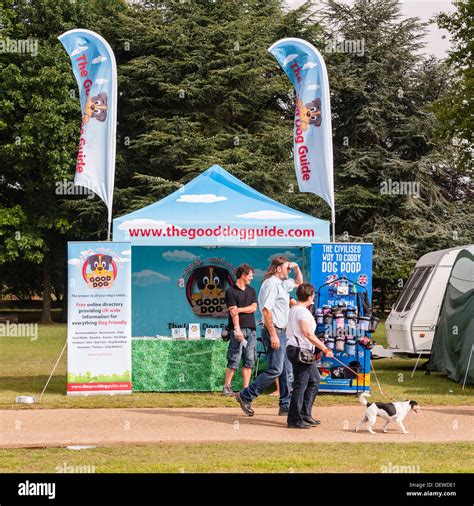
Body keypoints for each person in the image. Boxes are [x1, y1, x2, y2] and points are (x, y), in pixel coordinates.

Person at [235, 256, 302, 416]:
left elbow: (299, 283)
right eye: (287, 268)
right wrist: (273, 335)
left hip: (283, 331)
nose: (289, 270)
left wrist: (296, 267)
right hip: (275, 331)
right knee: (276, 369)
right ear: (278, 269)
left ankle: (285, 405)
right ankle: (246, 395)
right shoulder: (271, 284)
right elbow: (266, 310)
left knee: (286, 369)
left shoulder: (281, 284)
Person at [286, 283, 333, 429]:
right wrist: (324, 348)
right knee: (300, 385)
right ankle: (294, 419)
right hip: (300, 351)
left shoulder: (295, 309)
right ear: (310, 296)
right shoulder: (302, 312)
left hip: (300, 350)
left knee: (314, 380)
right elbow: (307, 333)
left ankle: (305, 414)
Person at [222, 264, 258, 396]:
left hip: (251, 330)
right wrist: (237, 329)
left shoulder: (252, 290)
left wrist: (240, 309)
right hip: (238, 329)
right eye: (250, 276)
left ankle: (246, 389)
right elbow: (233, 312)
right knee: (234, 358)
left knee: (249, 359)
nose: (251, 278)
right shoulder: (230, 291)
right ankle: (227, 387)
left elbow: (254, 308)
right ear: (243, 275)